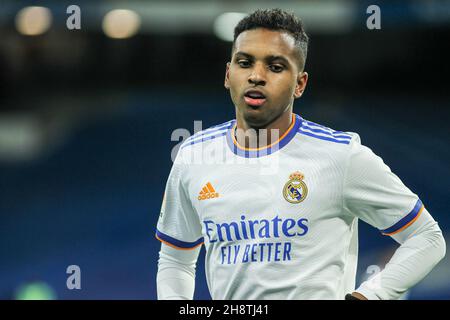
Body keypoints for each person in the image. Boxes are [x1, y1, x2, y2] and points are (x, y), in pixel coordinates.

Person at [155, 8, 446, 300]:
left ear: (300, 84)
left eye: (276, 66)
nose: (256, 76)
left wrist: (370, 296)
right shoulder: (193, 156)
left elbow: (427, 238)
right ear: (229, 74)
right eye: (245, 63)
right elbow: (175, 259)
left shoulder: (341, 156)